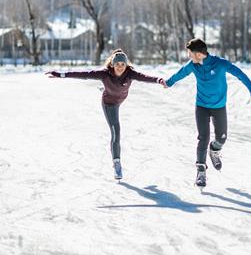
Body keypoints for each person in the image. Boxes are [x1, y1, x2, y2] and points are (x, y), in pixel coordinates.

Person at [160, 38, 251, 188]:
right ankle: (201, 171)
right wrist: (168, 82)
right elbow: (180, 73)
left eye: (190, 53)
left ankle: (214, 150)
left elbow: (240, 74)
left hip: (219, 107)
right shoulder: (193, 65)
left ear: (198, 54)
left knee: (221, 138)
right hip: (201, 106)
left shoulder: (220, 63)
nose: (188, 56)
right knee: (203, 138)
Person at [45, 49, 164, 180]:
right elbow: (83, 74)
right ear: (112, 65)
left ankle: (106, 88)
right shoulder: (104, 74)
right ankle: (117, 163)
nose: (120, 67)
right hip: (109, 104)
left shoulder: (130, 73)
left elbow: (145, 77)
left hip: (121, 98)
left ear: (126, 65)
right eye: (117, 64)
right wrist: (61, 75)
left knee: (114, 90)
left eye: (122, 64)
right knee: (116, 131)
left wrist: (158, 80)